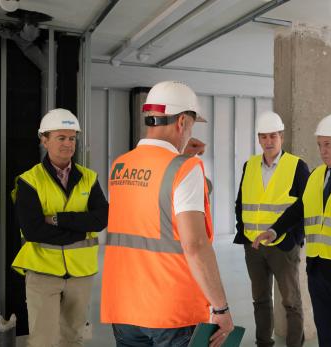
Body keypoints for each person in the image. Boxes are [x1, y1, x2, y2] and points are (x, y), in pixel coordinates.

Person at [101, 81, 234, 347]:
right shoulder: (185, 169)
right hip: (172, 312)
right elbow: (195, 244)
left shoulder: (121, 165)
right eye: (192, 126)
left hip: (125, 307)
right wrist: (221, 309)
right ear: (182, 121)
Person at [253, 114, 331, 346]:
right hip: (317, 270)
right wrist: (274, 231)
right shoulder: (316, 175)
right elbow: (299, 209)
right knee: (326, 333)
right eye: (319, 145)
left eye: (328, 144)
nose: (322, 150)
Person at [11, 108, 108, 347]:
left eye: (72, 138)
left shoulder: (89, 178)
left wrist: (56, 219)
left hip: (81, 274)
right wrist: (80, 226)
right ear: (44, 140)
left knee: (73, 338)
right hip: (43, 271)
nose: (68, 144)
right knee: (43, 340)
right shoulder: (29, 181)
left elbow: (101, 219)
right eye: (61, 138)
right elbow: (33, 230)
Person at [234, 111, 309, 347]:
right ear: (258, 139)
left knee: (291, 302)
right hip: (254, 246)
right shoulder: (250, 165)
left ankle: (295, 344)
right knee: (260, 299)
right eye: (264, 137)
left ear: (282, 137)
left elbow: (306, 206)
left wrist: (294, 239)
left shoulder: (297, 166)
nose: (268, 141)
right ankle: (263, 343)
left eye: (273, 136)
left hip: (283, 247)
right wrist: (244, 232)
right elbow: (241, 202)